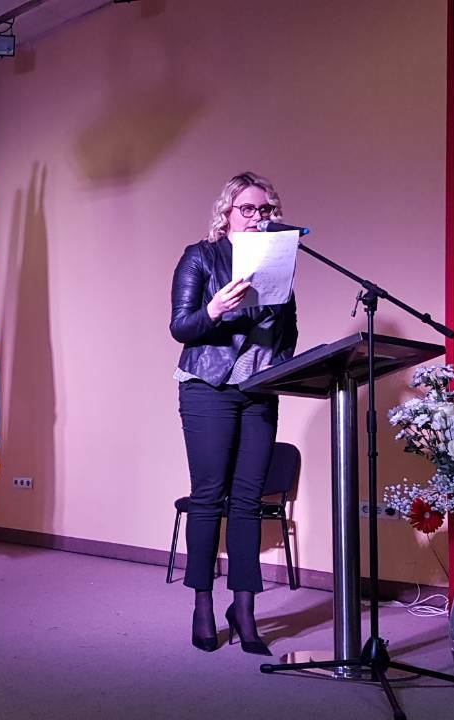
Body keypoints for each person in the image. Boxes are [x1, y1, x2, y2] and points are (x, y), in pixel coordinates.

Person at [169, 171, 298, 654]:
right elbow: (181, 327)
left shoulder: (279, 265)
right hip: (209, 387)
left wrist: (277, 365)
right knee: (208, 497)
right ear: (225, 214)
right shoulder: (201, 256)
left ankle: (244, 608)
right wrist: (215, 311)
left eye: (265, 210)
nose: (257, 217)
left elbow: (290, 330)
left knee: (248, 501)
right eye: (247, 209)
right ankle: (203, 603)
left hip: (260, 389)